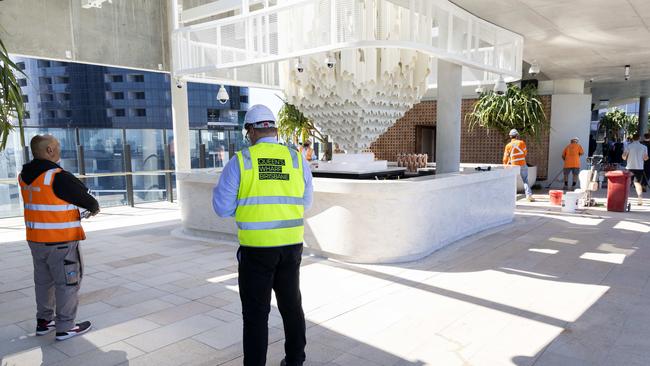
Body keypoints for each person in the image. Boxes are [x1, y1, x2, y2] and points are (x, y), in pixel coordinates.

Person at [212, 105, 313, 366]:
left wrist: (247, 206)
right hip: (291, 247)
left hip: (256, 250)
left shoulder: (241, 161)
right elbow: (306, 201)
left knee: (256, 315)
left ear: (251, 131)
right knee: (291, 306)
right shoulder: (296, 159)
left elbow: (222, 208)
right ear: (275, 130)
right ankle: (295, 360)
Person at [19, 135, 99, 341]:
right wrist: (93, 207)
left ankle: (44, 322)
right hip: (61, 242)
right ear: (49, 151)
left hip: (36, 240)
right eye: (57, 146)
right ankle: (65, 327)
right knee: (67, 284)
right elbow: (89, 201)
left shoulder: (24, 175)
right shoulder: (57, 176)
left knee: (43, 282)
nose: (60, 150)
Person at [503, 129, 534, 202]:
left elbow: (505, 157)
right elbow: (525, 153)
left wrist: (505, 165)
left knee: (512, 181)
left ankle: (510, 196)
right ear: (517, 136)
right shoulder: (521, 143)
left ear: (510, 137)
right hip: (522, 163)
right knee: (525, 180)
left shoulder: (508, 146)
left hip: (513, 165)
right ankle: (528, 196)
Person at [622, 133, 649, 205]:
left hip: (629, 167)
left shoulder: (628, 146)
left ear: (632, 138)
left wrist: (625, 156)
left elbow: (624, 157)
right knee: (637, 183)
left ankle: (625, 198)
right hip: (639, 167)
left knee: (627, 183)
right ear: (639, 138)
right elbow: (645, 158)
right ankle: (640, 197)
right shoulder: (644, 147)